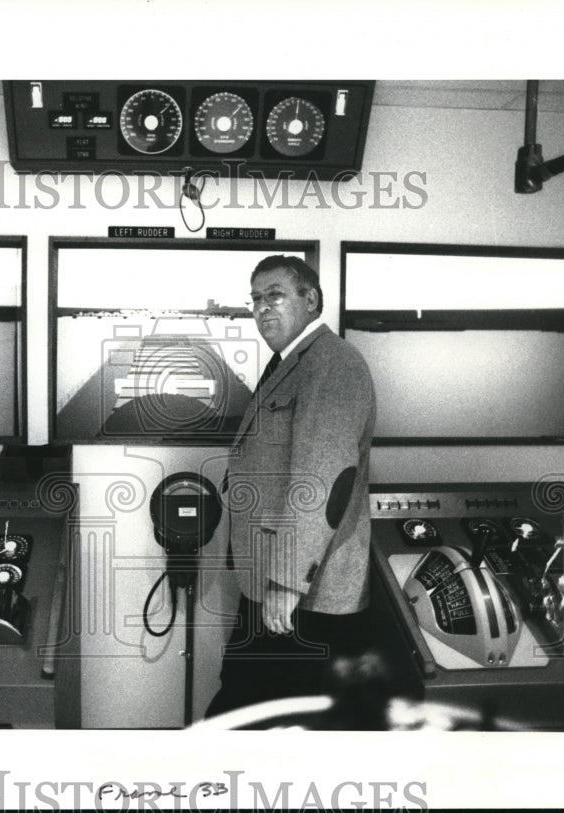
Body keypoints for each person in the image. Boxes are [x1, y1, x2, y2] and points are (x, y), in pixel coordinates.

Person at [205, 255, 376, 717]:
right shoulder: (292, 363)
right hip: (272, 578)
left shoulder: (332, 364)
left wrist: (286, 582)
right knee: (249, 706)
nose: (262, 308)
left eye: (275, 295)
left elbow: (322, 481)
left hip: (303, 591)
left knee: (269, 716)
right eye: (256, 299)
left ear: (311, 300)